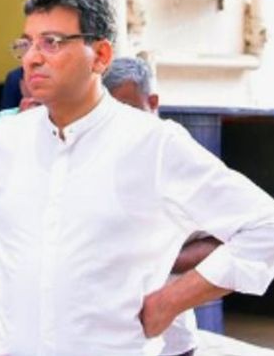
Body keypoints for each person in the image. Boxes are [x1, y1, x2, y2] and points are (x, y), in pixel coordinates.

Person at [0, 0, 274, 355]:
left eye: (52, 42)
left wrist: (172, 300)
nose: (32, 58)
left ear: (101, 55)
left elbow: (271, 230)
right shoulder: (7, 140)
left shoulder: (154, 145)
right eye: (26, 44)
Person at [104, 57, 222, 356]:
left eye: (127, 110)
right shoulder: (99, 156)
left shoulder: (177, 157)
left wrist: (161, 260)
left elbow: (228, 237)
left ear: (152, 102)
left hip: (171, 343)